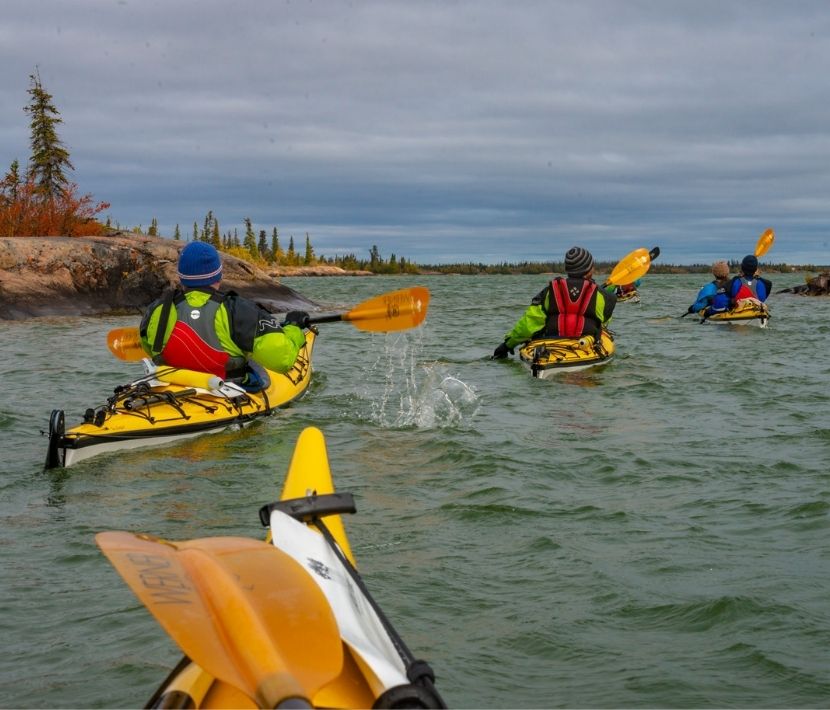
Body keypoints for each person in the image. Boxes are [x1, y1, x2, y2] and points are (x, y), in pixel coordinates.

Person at [139, 241, 309, 389]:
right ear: (218, 275)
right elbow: (282, 360)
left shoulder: (157, 309)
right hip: (227, 387)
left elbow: (149, 347)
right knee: (254, 363)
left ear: (182, 277)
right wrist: (293, 329)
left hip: (176, 385)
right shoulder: (237, 309)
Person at [492, 246, 616, 359]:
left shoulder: (550, 292)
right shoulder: (601, 295)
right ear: (589, 269)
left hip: (551, 345)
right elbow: (605, 320)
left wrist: (508, 345)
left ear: (568, 269)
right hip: (584, 346)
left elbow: (529, 323)